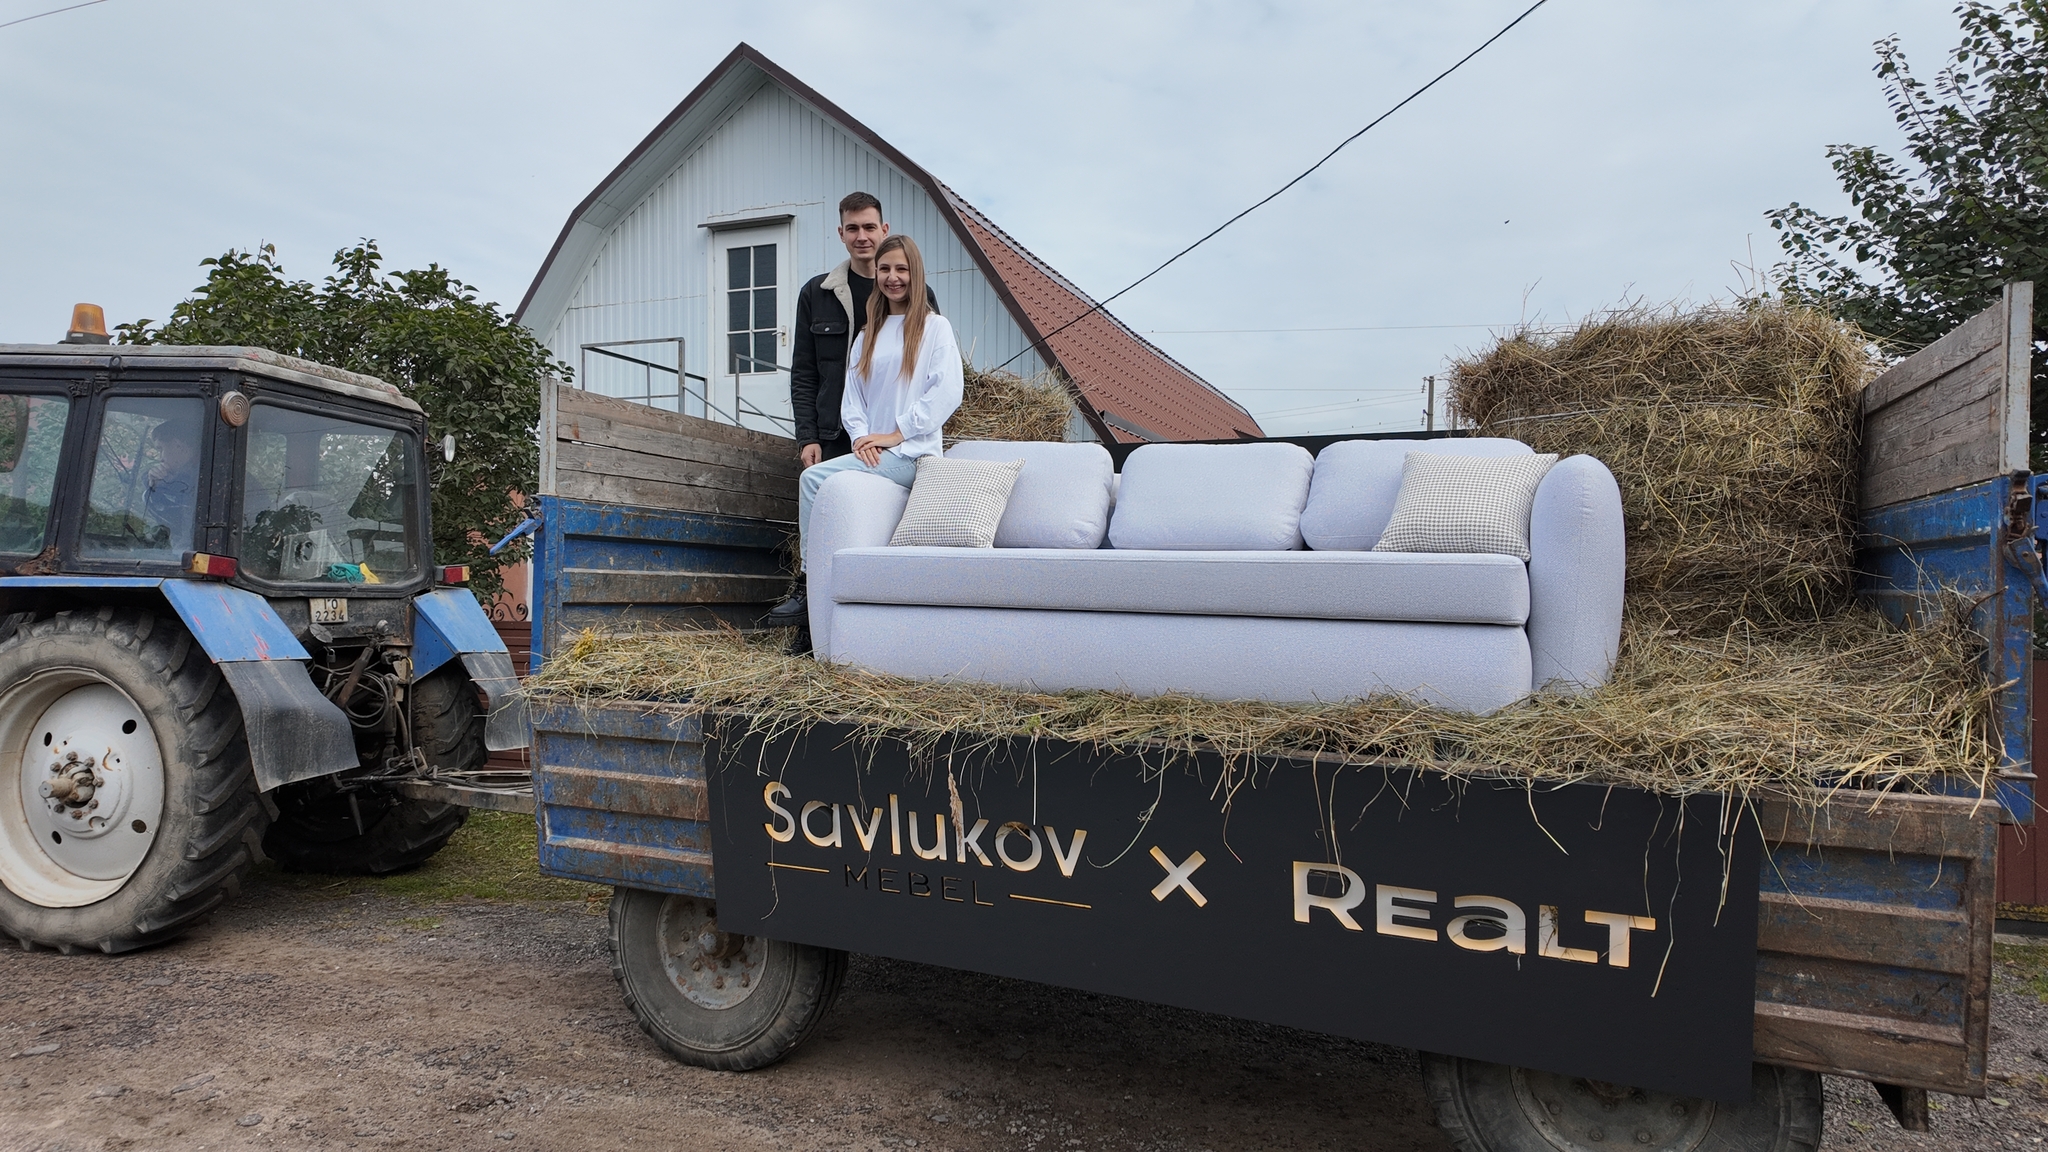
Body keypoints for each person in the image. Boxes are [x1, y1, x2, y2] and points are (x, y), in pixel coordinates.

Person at [771, 234, 962, 648]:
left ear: (915, 273)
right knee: (826, 485)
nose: (893, 277)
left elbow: (947, 391)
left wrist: (895, 433)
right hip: (876, 452)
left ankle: (806, 582)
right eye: (885, 269)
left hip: (912, 454)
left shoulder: (934, 327)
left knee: (814, 480)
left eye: (902, 269)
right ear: (875, 274)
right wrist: (861, 439)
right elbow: (852, 398)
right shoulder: (868, 333)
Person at [787, 192, 939, 471]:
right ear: (841, 233)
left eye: (869, 227)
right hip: (834, 435)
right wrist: (808, 437)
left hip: (894, 437)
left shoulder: (919, 294)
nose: (861, 237)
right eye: (852, 228)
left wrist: (909, 430)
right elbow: (804, 373)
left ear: (884, 230)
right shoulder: (817, 293)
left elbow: (934, 373)